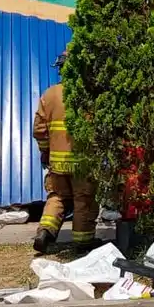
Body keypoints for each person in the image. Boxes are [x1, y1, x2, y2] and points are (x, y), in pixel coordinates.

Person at [32, 50, 100, 253]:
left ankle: (45, 232)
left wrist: (45, 152)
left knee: (57, 197)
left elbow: (39, 130)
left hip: (57, 163)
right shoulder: (89, 94)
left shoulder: (50, 94)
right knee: (83, 200)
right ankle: (82, 242)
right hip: (83, 163)